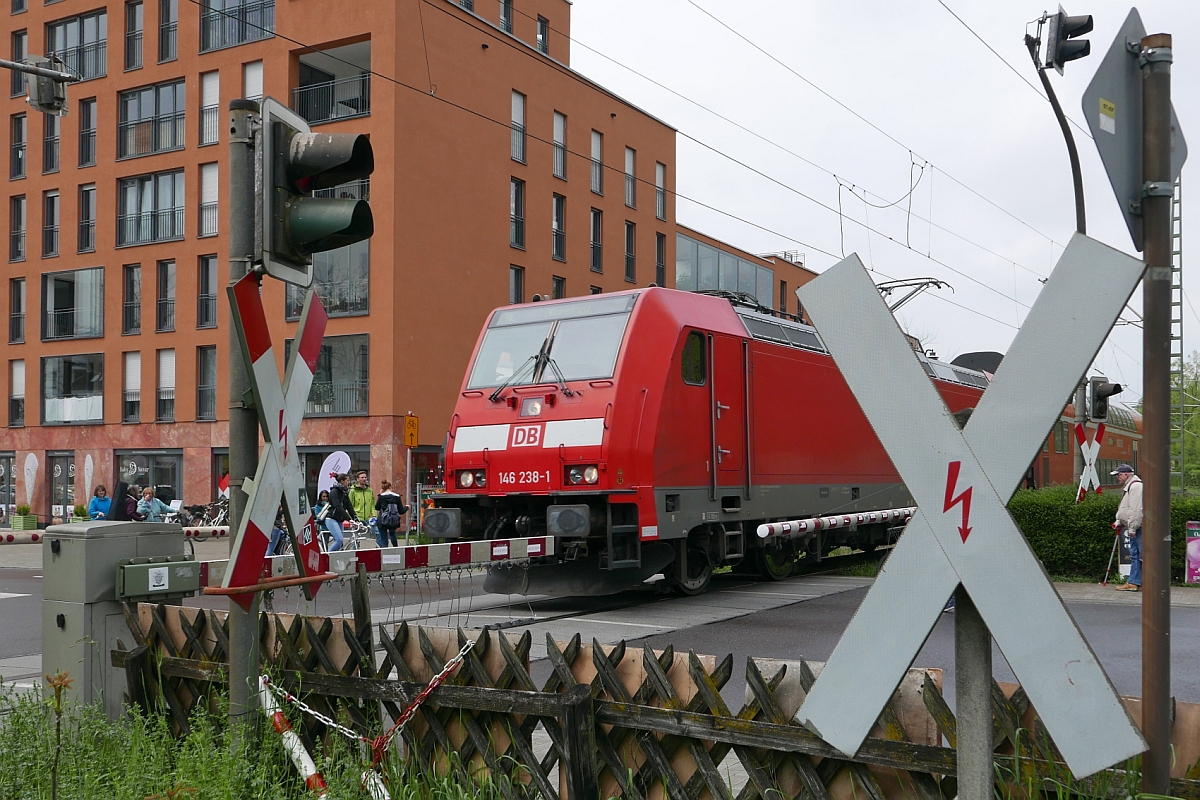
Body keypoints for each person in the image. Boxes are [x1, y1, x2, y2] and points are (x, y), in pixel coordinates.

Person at [1112, 464, 1143, 592]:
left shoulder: (1135, 486)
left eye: (1119, 475)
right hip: (1135, 527)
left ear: (1126, 474)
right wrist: (1119, 520)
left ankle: (1136, 582)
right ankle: (1134, 582)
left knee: (1140, 555)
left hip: (1138, 528)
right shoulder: (1131, 486)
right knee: (1136, 555)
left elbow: (1136, 509)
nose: (1118, 478)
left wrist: (1132, 528)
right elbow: (1127, 508)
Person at [325, 474, 356, 552]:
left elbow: (349, 506)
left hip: (339, 519)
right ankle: (327, 557)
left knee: (340, 542)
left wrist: (355, 518)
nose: (348, 482)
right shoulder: (334, 491)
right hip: (331, 518)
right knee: (339, 540)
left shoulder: (344, 492)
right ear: (342, 481)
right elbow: (337, 506)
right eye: (347, 480)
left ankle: (336, 559)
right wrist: (348, 519)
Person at [373, 480, 408, 548]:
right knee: (392, 534)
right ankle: (395, 549)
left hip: (382, 520)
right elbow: (401, 511)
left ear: (382, 488)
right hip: (393, 520)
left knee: (383, 538)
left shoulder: (381, 496)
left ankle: (384, 552)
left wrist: (380, 495)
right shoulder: (397, 496)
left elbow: (377, 507)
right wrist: (407, 507)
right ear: (390, 487)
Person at [349, 470, 376, 542]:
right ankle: (355, 551)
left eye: (365, 477)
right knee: (356, 537)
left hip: (367, 518)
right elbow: (350, 505)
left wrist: (374, 515)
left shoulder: (369, 490)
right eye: (362, 477)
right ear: (357, 479)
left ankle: (379, 549)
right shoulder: (353, 490)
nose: (364, 479)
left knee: (377, 533)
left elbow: (372, 504)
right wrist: (352, 518)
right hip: (357, 517)